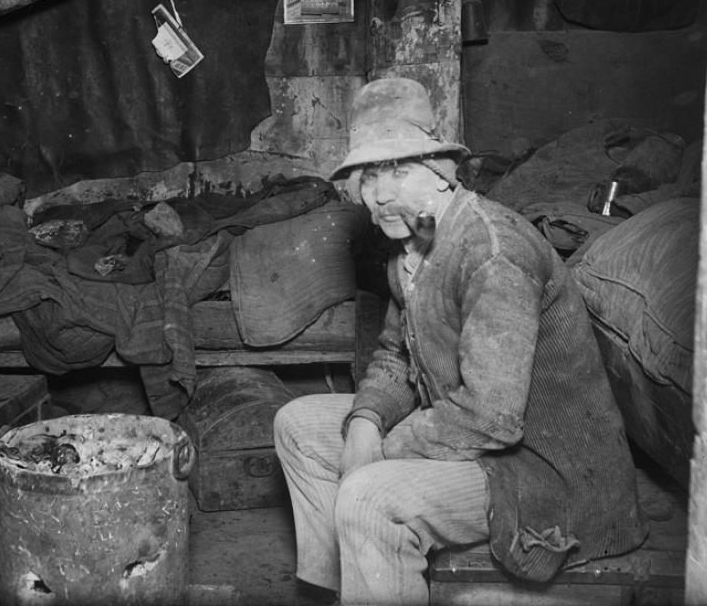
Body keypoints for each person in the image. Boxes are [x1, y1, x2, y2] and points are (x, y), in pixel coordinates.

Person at [273, 77, 647, 606]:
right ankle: (338, 589)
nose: (378, 194)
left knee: (366, 494)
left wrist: (384, 449)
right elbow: (393, 356)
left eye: (398, 170)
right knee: (298, 425)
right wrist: (364, 423)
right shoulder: (411, 248)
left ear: (441, 171)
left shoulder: (494, 253)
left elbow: (493, 417)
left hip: (543, 472)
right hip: (462, 429)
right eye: (367, 175)